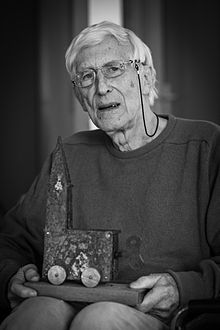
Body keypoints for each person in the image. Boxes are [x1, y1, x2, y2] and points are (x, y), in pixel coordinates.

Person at [0, 20, 220, 330]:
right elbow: (12, 239)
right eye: (87, 77)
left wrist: (185, 287)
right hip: (69, 300)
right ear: (80, 96)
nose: (101, 87)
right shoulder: (71, 153)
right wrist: (11, 273)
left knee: (100, 320)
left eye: (114, 69)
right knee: (34, 316)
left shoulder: (206, 146)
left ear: (145, 76)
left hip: (163, 314)